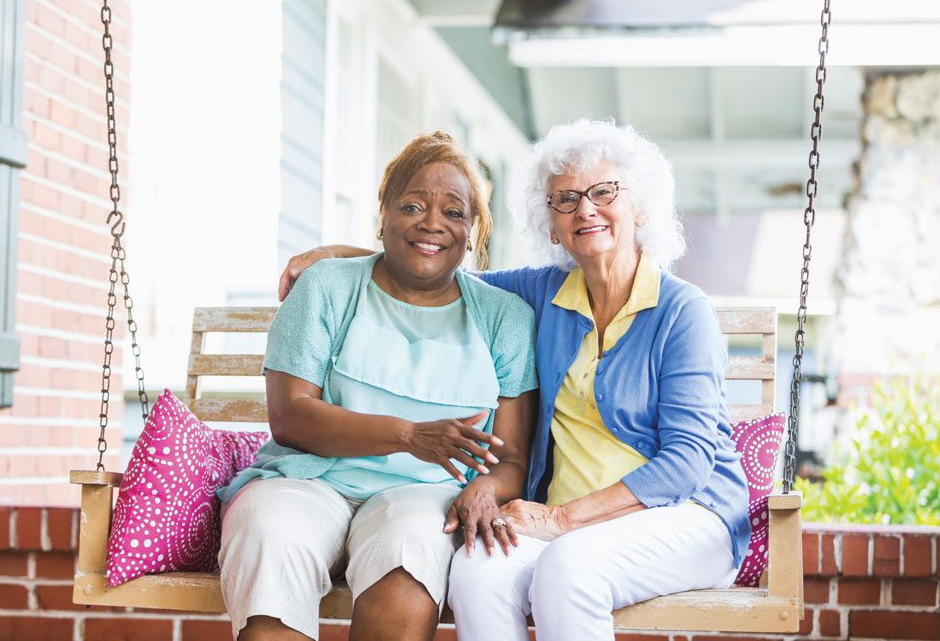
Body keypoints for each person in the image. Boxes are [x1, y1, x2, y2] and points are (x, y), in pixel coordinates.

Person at [279, 119, 751, 641]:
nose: (585, 209)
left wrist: (562, 519)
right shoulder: (543, 292)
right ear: (551, 225)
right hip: (564, 524)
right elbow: (436, 262)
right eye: (565, 199)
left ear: (640, 208)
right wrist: (334, 257)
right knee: (478, 573)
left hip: (684, 516)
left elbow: (686, 463)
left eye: (604, 192)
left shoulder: (682, 312)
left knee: (570, 569)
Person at [218, 131, 538, 641]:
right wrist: (410, 436)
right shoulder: (329, 286)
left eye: (454, 213)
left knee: (409, 552)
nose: (432, 222)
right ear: (384, 213)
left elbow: (511, 459)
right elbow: (292, 417)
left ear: (474, 231)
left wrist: (485, 487)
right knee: (266, 530)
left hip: (424, 495)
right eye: (413, 205)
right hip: (309, 481)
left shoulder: (504, 318)